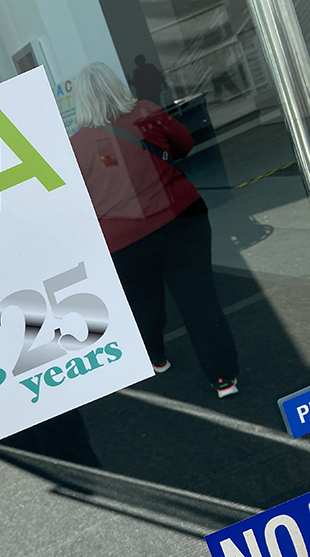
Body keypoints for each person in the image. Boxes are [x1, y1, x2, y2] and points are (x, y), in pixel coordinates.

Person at [70, 62, 239, 398]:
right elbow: (185, 144)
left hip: (123, 240)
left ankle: (156, 358)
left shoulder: (76, 145)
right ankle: (223, 379)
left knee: (143, 302)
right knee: (199, 300)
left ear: (81, 102)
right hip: (180, 219)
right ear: (117, 86)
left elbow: (78, 199)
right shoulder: (146, 113)